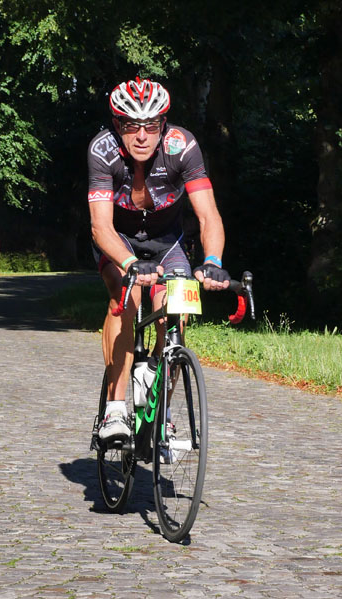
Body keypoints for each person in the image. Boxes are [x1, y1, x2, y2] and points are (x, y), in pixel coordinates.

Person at [88, 77, 230, 442]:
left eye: (151, 126)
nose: (142, 136)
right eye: (131, 126)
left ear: (163, 124)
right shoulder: (102, 150)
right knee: (126, 296)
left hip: (167, 243)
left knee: (177, 311)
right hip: (119, 243)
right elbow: (100, 227)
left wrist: (213, 261)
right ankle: (115, 410)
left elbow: (208, 216)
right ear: (117, 124)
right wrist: (129, 264)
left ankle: (160, 407)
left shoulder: (183, 146)